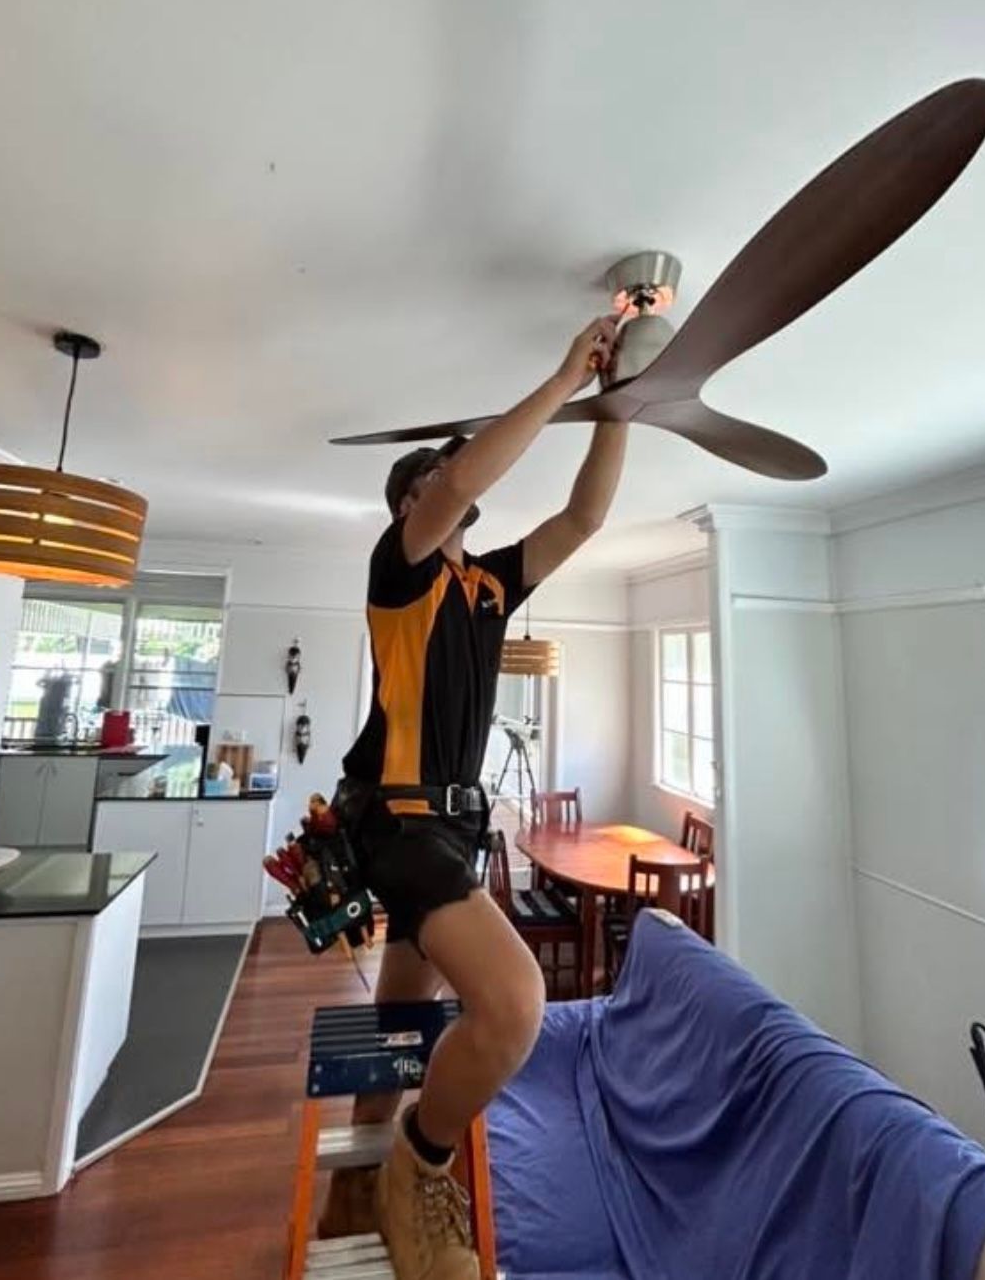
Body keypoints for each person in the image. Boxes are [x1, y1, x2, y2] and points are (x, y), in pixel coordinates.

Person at [325, 317, 628, 1280]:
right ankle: (420, 1161)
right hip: (396, 820)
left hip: (455, 824)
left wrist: (615, 409)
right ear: (407, 508)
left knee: (400, 1017)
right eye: (421, 486)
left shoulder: (488, 588)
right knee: (513, 1000)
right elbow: (458, 481)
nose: (440, 490)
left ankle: (355, 1174)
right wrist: (560, 373)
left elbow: (582, 520)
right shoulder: (399, 569)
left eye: (437, 485)